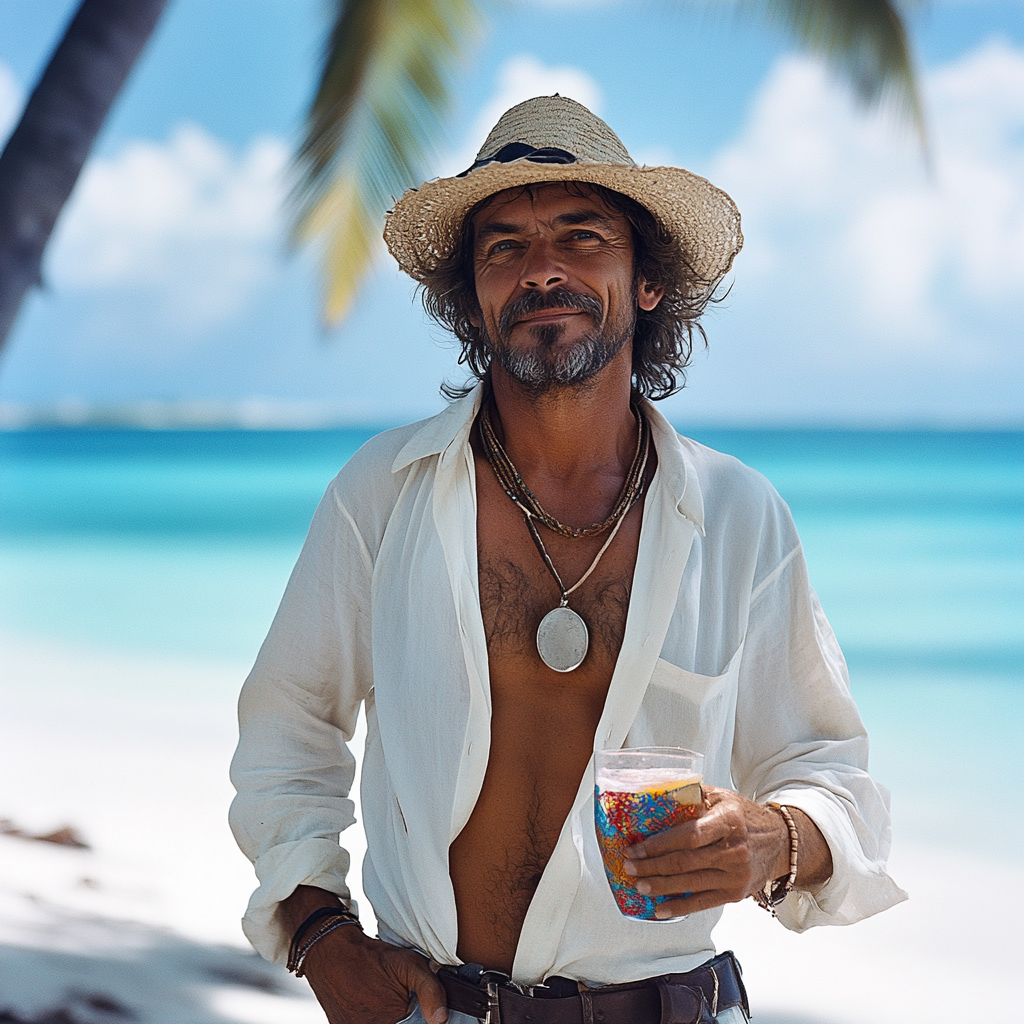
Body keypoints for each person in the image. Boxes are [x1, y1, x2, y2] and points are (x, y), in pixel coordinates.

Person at [229, 95, 906, 1024]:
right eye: (503, 247)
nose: (542, 270)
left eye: (583, 237)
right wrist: (318, 930)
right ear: (472, 295)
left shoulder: (737, 516)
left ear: (648, 281)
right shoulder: (383, 493)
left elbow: (832, 770)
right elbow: (288, 719)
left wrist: (774, 837)